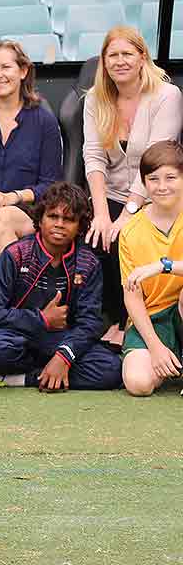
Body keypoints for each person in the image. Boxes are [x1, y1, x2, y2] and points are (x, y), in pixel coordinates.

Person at [0, 182, 122, 391]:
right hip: (16, 337)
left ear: (80, 226)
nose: (59, 224)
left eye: (69, 219)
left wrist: (64, 356)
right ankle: (47, 373)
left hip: (60, 341)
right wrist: (41, 319)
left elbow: (89, 323)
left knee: (112, 369)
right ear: (40, 220)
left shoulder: (88, 263)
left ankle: (18, 379)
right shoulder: (16, 255)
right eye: (53, 216)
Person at [83, 26, 182, 336]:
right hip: (109, 192)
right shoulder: (95, 99)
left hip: (155, 192)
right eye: (113, 55)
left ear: (142, 57)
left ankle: (136, 321)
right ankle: (113, 318)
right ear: (104, 61)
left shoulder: (166, 95)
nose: (120, 61)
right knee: (97, 234)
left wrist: (128, 213)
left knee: (124, 235)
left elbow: (156, 156)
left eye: (127, 54)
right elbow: (94, 156)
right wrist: (100, 212)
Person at [0, 40, 63, 291]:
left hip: (28, 211)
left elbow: (51, 184)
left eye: (6, 67)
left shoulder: (43, 120)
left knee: (0, 218)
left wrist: (9, 198)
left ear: (23, 71)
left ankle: (11, 305)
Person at [117, 141, 183, 396]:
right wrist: (155, 347)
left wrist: (163, 266)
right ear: (143, 183)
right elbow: (131, 295)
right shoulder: (131, 230)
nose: (162, 186)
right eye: (153, 178)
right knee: (138, 383)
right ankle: (168, 357)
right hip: (152, 317)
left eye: (171, 177)